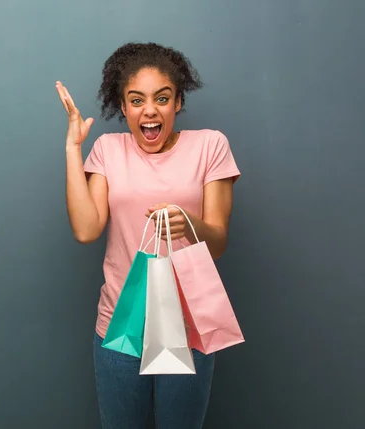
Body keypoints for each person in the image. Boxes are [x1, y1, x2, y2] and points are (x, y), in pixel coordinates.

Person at [55, 42, 241, 429]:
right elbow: (87, 229)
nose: (149, 110)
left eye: (162, 98)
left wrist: (190, 224)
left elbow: (219, 243)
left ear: (177, 102)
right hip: (120, 327)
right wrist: (74, 148)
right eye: (136, 100)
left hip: (188, 328)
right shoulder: (107, 149)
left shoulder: (210, 146)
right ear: (123, 107)